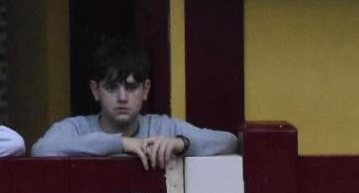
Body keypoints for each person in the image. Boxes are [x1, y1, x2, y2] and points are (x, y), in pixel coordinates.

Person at [33, 37, 236, 166]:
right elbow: (42, 150)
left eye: (130, 87)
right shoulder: (77, 127)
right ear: (95, 91)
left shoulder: (162, 126)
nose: (122, 97)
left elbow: (229, 142)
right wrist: (120, 143)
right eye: (112, 87)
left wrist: (180, 143)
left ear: (145, 89)